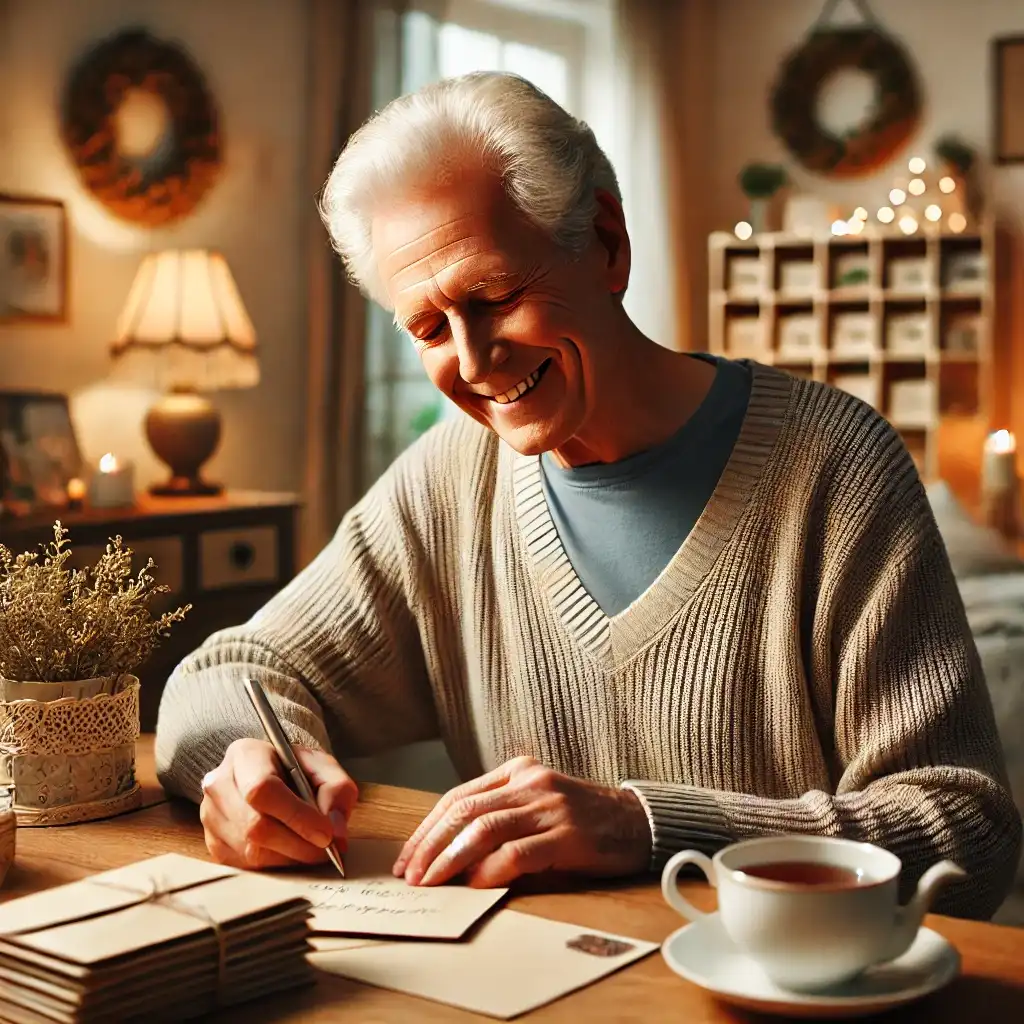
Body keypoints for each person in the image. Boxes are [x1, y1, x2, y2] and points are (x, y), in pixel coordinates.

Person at [155, 71, 1021, 919]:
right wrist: (248, 763)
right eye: (427, 327)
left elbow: (965, 829)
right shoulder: (447, 479)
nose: (473, 358)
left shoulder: (837, 465)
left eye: (494, 295)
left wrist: (642, 826)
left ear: (607, 241)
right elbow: (228, 671)